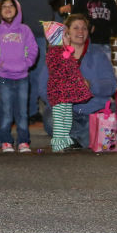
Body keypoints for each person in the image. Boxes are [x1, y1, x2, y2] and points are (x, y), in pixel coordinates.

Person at [0, 0, 58, 134]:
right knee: (22, 74)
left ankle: (31, 110)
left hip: (40, 29)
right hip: (20, 31)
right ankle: (22, 112)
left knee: (39, 73)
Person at [0, 0, 37, 152]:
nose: (7, 8)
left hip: (22, 78)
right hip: (4, 77)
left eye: (11, 6)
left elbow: (33, 49)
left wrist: (27, 63)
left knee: (22, 112)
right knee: (6, 111)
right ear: (0, 12)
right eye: (4, 6)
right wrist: (0, 62)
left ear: (17, 9)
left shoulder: (25, 30)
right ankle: (6, 141)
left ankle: (23, 141)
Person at [63, 13, 117, 148]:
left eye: (84, 28)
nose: (80, 31)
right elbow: (44, 87)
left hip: (95, 110)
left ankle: (76, 139)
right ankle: (90, 137)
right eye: (76, 28)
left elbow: (111, 85)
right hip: (68, 113)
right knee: (51, 118)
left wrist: (91, 85)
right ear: (67, 31)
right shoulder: (57, 55)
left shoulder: (99, 54)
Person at [45, 19, 91, 153]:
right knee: (59, 119)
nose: (68, 37)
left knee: (67, 117)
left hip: (67, 93)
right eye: (65, 35)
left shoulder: (67, 53)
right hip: (58, 92)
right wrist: (65, 58)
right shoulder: (53, 53)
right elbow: (57, 71)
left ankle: (65, 139)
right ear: (56, 38)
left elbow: (73, 71)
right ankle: (58, 142)